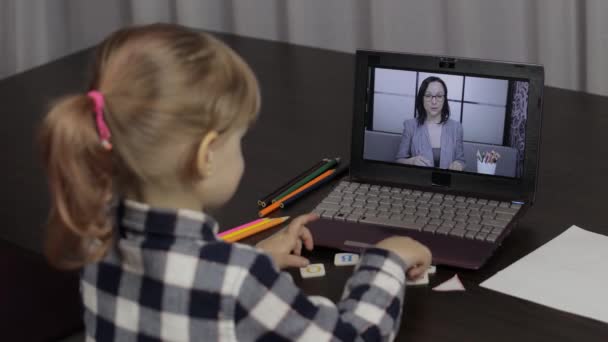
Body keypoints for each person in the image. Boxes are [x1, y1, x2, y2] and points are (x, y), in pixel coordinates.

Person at [39, 24, 431, 341]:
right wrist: (386, 262)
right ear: (206, 154)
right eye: (239, 139)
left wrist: (258, 256)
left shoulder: (95, 235)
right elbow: (350, 336)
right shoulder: (235, 281)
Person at [395, 76, 465, 171]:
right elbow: (399, 160)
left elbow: (461, 160)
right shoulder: (410, 126)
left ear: (444, 99)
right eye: (428, 96)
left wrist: (458, 164)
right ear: (422, 98)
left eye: (439, 96)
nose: (434, 101)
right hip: (418, 181)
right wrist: (411, 161)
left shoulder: (456, 127)